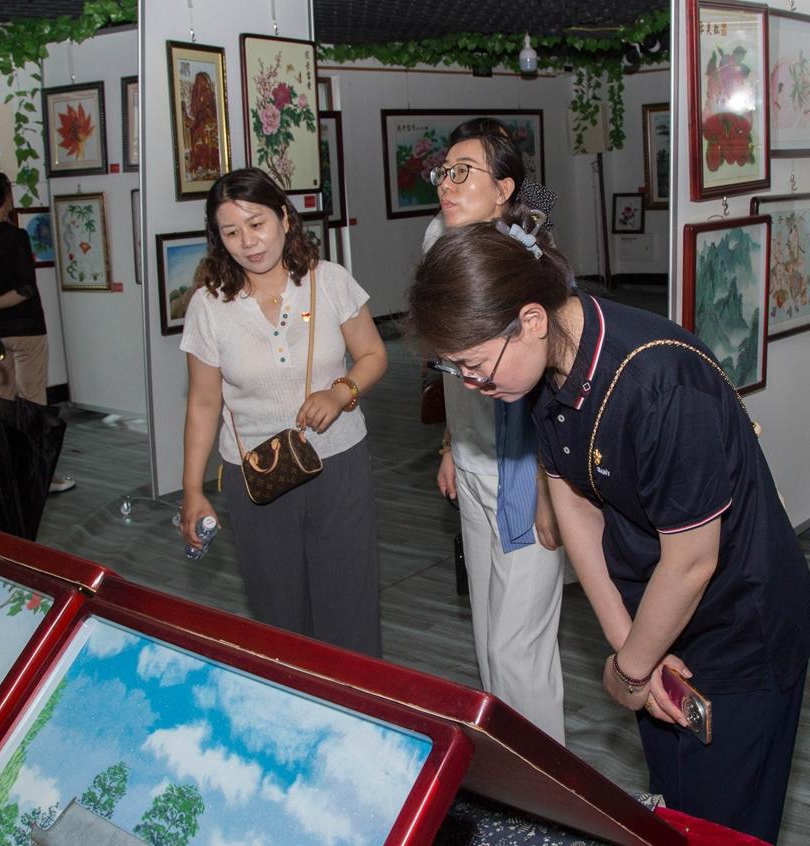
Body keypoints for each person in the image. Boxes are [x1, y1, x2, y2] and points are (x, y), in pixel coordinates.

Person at [409, 206, 810, 842]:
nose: (471, 382)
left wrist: (629, 669)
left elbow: (692, 562)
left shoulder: (658, 384)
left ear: (531, 320)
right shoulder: (546, 365)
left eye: (475, 364)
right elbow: (571, 501)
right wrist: (631, 650)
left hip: (740, 625)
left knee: (724, 825)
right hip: (655, 618)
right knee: (673, 811)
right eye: (454, 369)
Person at [179, 168, 387, 657]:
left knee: (350, 604)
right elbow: (203, 403)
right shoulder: (209, 306)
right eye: (231, 232)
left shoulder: (328, 280)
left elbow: (374, 355)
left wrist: (340, 392)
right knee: (277, 613)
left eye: (257, 224)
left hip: (339, 463)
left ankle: (354, 700)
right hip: (257, 475)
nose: (248, 242)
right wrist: (192, 491)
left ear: (285, 218)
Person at [421, 118, 567, 743]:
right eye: (443, 172)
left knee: (517, 650)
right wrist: (450, 443)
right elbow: (453, 368)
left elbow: (556, 387)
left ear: (504, 188)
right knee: (487, 637)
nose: (446, 184)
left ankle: (549, 785)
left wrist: (550, 487)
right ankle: (504, 774)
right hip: (473, 461)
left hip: (525, 473)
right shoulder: (440, 240)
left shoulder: (532, 263)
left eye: (463, 173)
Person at [0, 171, 73, 495]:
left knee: (1, 402)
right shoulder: (14, 237)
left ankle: (7, 473)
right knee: (32, 404)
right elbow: (24, 290)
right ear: (5, 196)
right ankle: (39, 476)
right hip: (26, 331)